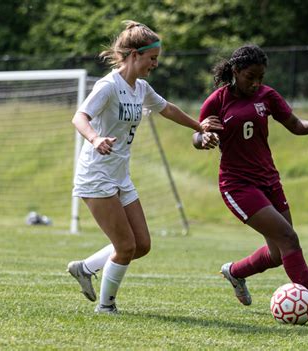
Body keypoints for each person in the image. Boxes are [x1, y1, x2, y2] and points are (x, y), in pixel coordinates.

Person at [67, 20, 222, 315]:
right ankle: (106, 306)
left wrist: (199, 124)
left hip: (120, 175)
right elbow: (79, 117)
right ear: (135, 55)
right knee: (125, 247)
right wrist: (95, 137)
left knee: (142, 245)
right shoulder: (108, 86)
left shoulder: (141, 88)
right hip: (96, 175)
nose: (155, 64)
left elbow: (168, 109)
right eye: (153, 58)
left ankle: (86, 268)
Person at [192, 44, 308, 323]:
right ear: (236, 71)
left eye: (261, 77)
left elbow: (294, 124)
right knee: (288, 238)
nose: (256, 83)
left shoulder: (267, 96)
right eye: (250, 76)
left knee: (279, 253)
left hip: (269, 180)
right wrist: (203, 138)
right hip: (237, 185)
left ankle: (236, 272)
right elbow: (197, 135)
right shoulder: (217, 101)